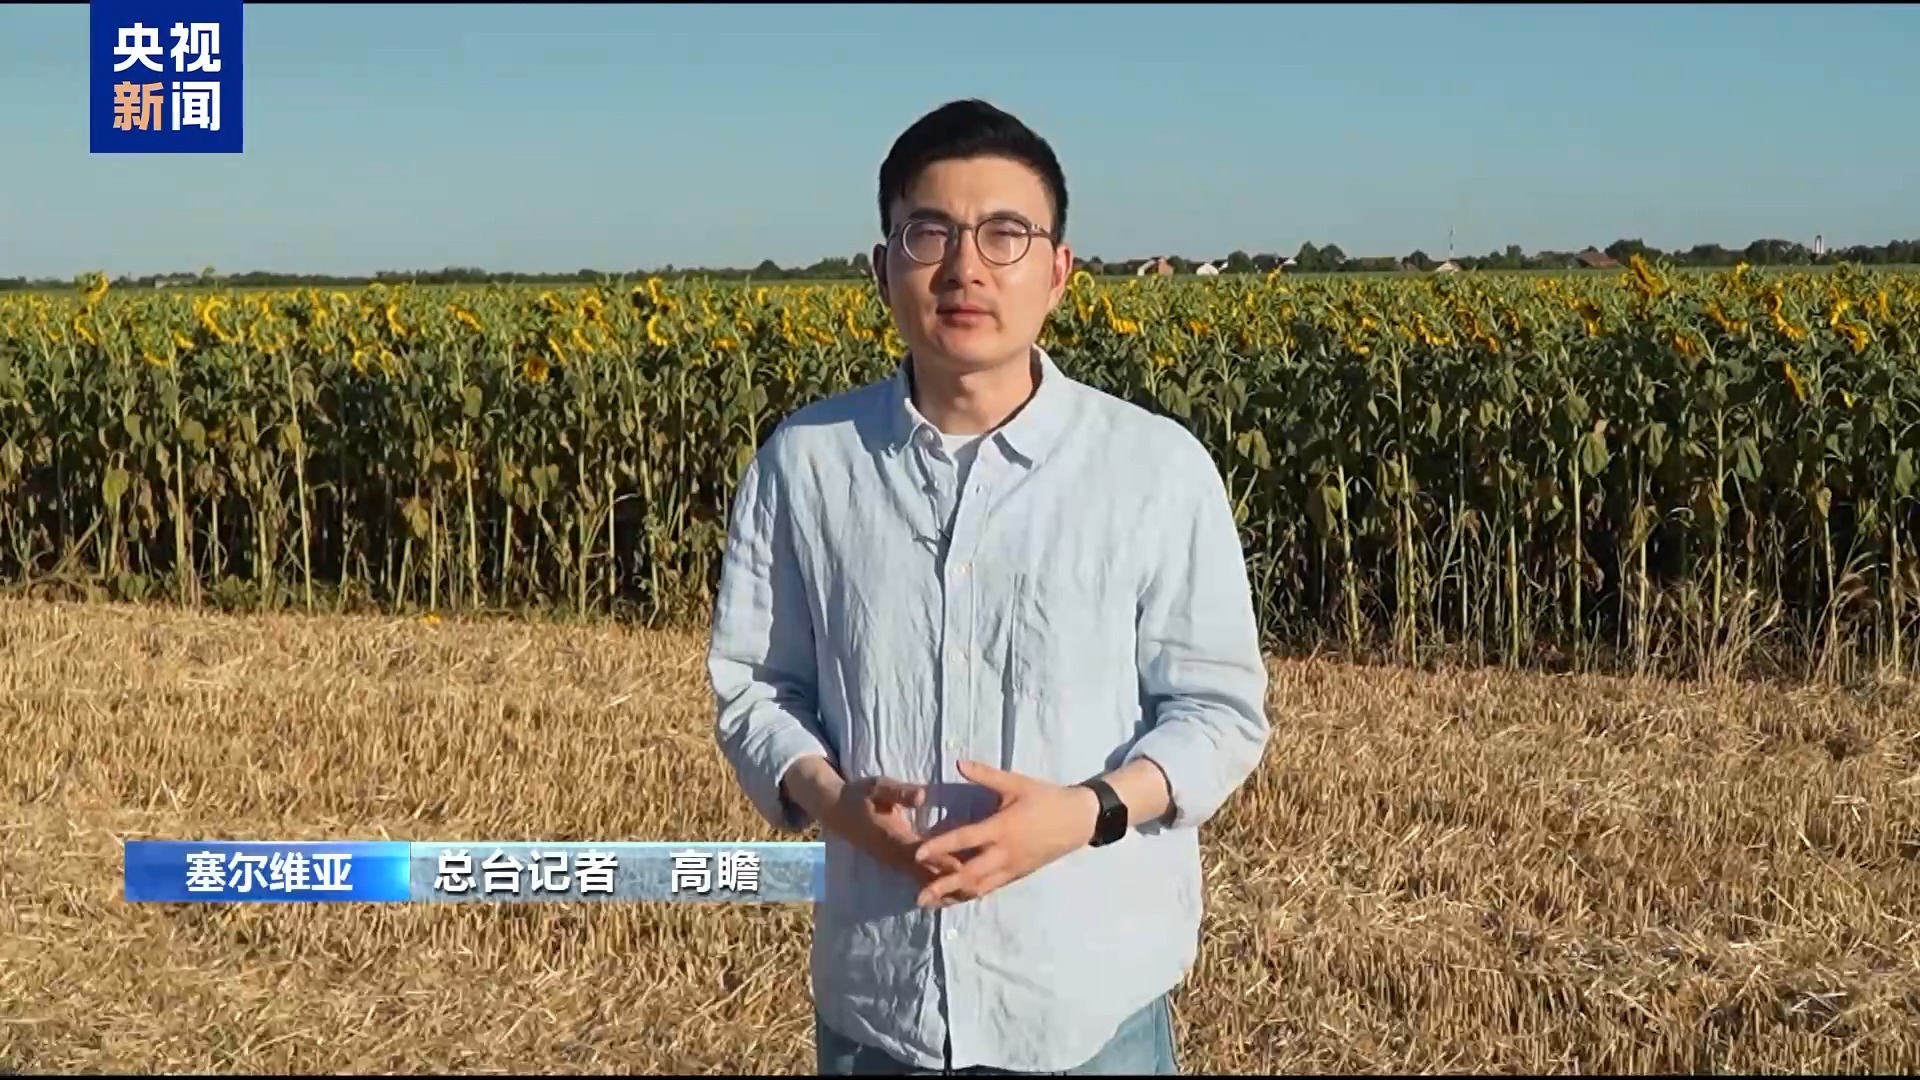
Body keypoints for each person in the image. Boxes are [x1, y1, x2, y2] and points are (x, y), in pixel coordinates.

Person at [707, 98, 1270, 1076]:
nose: (965, 267)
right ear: (882, 267)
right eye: (929, 233)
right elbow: (755, 686)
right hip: (880, 1003)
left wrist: (1086, 811)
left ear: (1058, 272)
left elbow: (1218, 712)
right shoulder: (805, 465)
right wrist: (837, 804)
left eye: (1005, 234)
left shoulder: (1153, 469)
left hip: (1087, 1006)